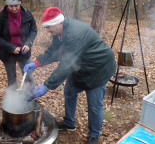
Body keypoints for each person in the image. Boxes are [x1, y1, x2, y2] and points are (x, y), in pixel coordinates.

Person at [24, 7, 116, 144]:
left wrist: (46, 86)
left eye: (49, 27)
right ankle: (69, 123)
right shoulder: (59, 32)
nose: (47, 30)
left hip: (98, 68)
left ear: (58, 22)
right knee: (69, 92)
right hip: (80, 66)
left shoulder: (75, 33)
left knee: (94, 104)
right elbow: (53, 51)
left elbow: (66, 64)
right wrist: (37, 63)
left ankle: (94, 134)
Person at [0, 0, 37, 88]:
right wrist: (11, 48)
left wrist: (28, 43)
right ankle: (12, 101)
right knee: (11, 77)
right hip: (7, 52)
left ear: (20, 3)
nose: (14, 8)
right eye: (11, 6)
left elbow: (33, 29)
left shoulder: (26, 13)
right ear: (7, 5)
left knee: (28, 75)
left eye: (16, 5)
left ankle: (32, 99)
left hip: (23, 50)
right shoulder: (1, 16)